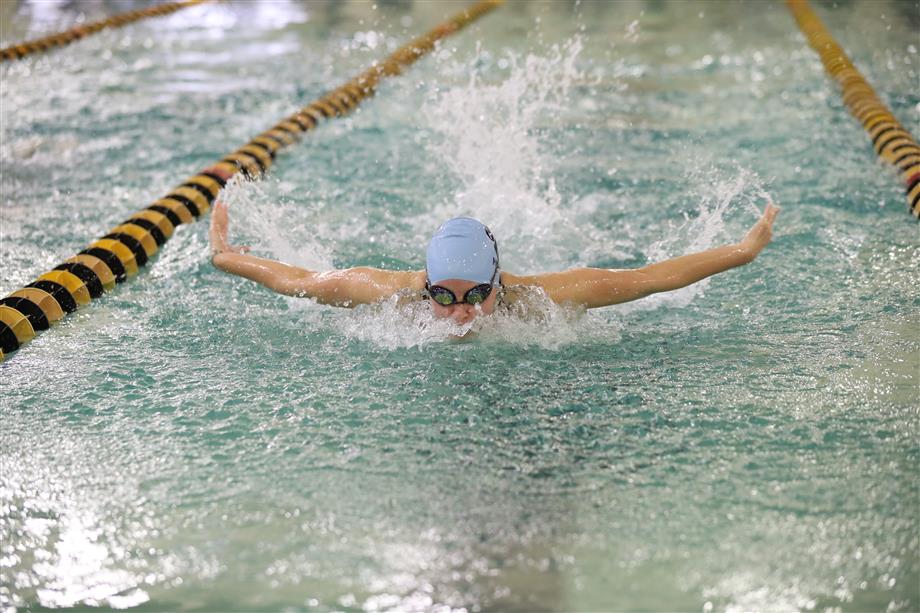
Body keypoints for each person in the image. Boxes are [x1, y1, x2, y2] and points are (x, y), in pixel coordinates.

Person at [208, 188, 780, 327]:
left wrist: (742, 251)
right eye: (444, 296)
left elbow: (651, 278)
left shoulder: (546, 298)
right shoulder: (389, 293)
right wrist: (226, 257)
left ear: (499, 282)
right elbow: (299, 281)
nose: (461, 314)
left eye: (478, 296)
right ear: (426, 283)